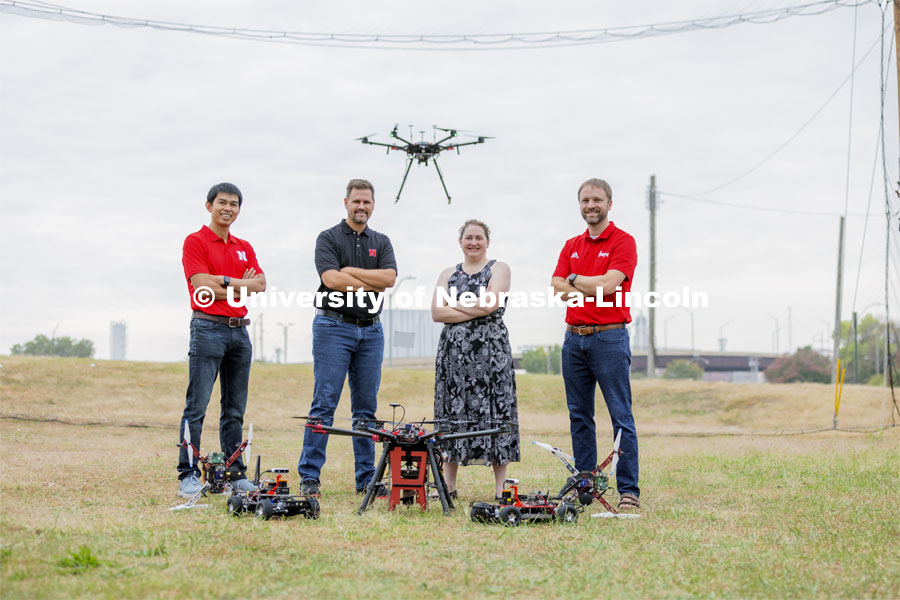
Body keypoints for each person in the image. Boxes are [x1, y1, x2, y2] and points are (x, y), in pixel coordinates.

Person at [297, 179, 397, 497]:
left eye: (367, 202)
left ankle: (366, 479)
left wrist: (351, 271)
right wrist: (369, 281)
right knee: (324, 404)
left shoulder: (381, 241)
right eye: (356, 201)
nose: (361, 207)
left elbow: (390, 278)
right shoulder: (328, 238)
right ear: (346, 202)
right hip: (333, 327)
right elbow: (330, 278)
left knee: (366, 409)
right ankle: (310, 476)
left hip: (371, 329)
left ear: (373, 205)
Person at [550, 178, 641, 513]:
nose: (591, 205)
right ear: (580, 204)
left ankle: (628, 490)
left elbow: (608, 285)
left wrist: (574, 280)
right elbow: (556, 287)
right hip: (574, 338)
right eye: (585, 200)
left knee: (621, 415)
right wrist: (586, 285)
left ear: (609, 203)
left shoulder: (623, 242)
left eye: (597, 200)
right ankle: (584, 485)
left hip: (609, 337)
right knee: (579, 416)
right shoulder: (571, 244)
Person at [177, 182, 267, 497]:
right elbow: (203, 288)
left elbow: (261, 284)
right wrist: (242, 285)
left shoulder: (244, 245)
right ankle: (188, 474)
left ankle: (235, 473)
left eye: (234, 204)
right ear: (209, 206)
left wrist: (226, 281)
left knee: (234, 409)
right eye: (222, 203)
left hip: (239, 331)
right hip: (207, 329)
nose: (228, 208)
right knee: (197, 406)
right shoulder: (196, 241)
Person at [432, 219, 519, 499]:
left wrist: (453, 305)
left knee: (497, 412)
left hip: (492, 356)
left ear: (487, 242)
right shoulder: (447, 273)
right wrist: (478, 307)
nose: (473, 242)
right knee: (452, 415)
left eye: (479, 237)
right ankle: (449, 485)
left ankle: (499, 488)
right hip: (454, 358)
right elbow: (436, 313)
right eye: (468, 237)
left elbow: (492, 303)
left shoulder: (499, 268)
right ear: (460, 242)